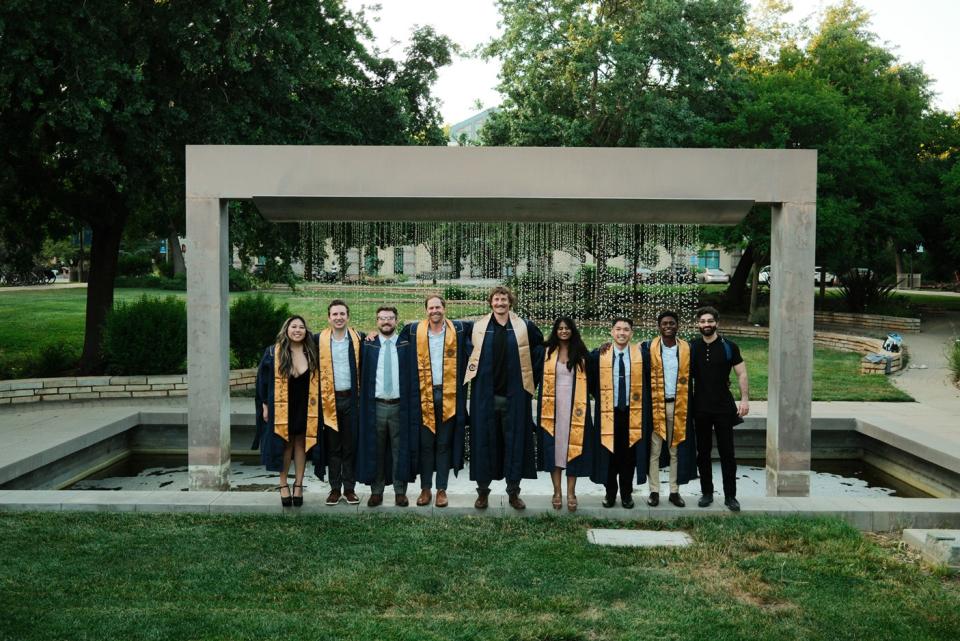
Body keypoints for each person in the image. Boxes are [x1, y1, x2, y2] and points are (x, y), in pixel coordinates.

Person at [464, 286, 543, 510]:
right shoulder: (478, 327)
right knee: (483, 444)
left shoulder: (524, 327)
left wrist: (529, 380)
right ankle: (482, 492)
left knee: (514, 443)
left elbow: (540, 350)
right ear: (491, 303)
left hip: (515, 397)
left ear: (511, 302)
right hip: (484, 398)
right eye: (496, 299)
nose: (500, 303)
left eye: (504, 299)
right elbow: (458, 342)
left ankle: (513, 492)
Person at [400, 295, 470, 508]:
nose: (434, 311)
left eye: (438, 307)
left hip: (449, 395)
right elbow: (391, 340)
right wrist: (372, 334)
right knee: (426, 445)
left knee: (443, 444)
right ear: (426, 311)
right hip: (423, 396)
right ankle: (425, 489)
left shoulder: (458, 329)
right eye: (431, 308)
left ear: (445, 308)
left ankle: (441, 489)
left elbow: (483, 330)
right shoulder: (414, 331)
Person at [254, 316, 320, 507]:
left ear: (306, 331)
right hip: (281, 405)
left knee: (300, 443)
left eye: (301, 327)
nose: (297, 330)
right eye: (294, 326)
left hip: (305, 405)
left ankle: (298, 485)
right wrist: (265, 405)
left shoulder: (312, 351)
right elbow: (262, 381)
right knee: (284, 444)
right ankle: (283, 484)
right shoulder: (273, 352)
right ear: (287, 329)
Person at [690, 306, 749, 512]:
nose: (706, 324)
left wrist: (745, 399)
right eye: (702, 321)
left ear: (717, 323)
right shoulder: (692, 347)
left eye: (710, 321)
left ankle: (730, 496)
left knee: (727, 453)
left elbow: (741, 373)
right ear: (698, 324)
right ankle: (707, 493)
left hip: (724, 407)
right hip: (700, 407)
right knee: (703, 452)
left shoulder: (729, 346)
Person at [357, 306, 414, 507]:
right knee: (376, 449)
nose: (386, 322)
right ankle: (376, 491)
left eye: (390, 318)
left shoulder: (407, 344)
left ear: (396, 320)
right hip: (376, 406)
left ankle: (400, 491)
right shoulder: (368, 345)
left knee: (400, 449)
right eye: (382, 318)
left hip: (400, 406)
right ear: (377, 321)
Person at [536, 316, 595, 512]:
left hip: (575, 407)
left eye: (567, 328)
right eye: (560, 328)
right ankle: (557, 491)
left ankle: (571, 492)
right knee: (556, 449)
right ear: (555, 330)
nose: (563, 331)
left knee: (573, 448)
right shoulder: (545, 352)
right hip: (551, 408)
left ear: (572, 330)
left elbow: (596, 372)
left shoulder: (581, 353)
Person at [589, 317, 648, 509]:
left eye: (626, 329)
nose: (622, 333)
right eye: (618, 329)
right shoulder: (599, 354)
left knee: (628, 456)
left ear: (632, 333)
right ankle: (610, 493)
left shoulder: (641, 355)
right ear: (612, 332)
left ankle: (626, 494)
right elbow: (590, 381)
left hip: (632, 413)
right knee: (609, 454)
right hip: (608, 412)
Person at [643, 310, 698, 507]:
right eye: (664, 323)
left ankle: (674, 491)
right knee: (655, 450)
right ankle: (654, 491)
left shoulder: (687, 348)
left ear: (677, 326)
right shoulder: (648, 347)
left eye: (672, 323)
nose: (668, 326)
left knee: (675, 450)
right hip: (656, 405)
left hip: (679, 405)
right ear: (659, 326)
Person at [316, 299, 364, 506]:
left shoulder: (358, 339)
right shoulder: (318, 340)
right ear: (329, 318)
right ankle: (335, 489)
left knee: (350, 446)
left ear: (348, 316)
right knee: (333, 447)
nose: (338, 317)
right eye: (334, 314)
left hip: (352, 400)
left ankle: (350, 489)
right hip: (329, 399)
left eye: (342, 314)